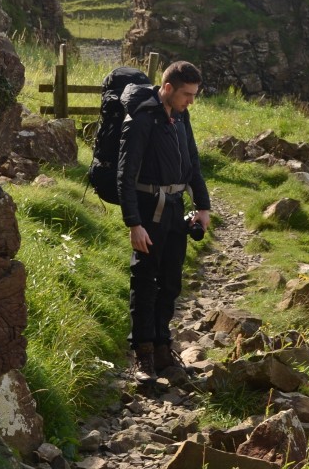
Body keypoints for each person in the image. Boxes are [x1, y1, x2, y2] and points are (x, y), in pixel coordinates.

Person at [116, 60, 211, 383]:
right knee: (144, 282)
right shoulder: (141, 119)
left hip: (175, 210)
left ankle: (161, 346)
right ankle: (143, 354)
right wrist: (134, 223)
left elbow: (193, 162)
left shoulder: (182, 118)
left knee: (170, 283)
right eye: (186, 94)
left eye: (194, 95)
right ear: (167, 88)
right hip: (147, 212)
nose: (191, 101)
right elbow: (125, 175)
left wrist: (203, 206)